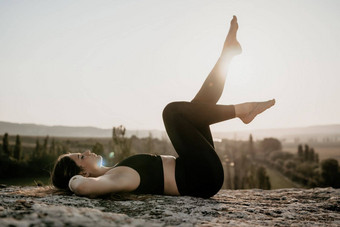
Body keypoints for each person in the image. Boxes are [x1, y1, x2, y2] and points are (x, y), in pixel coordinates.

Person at [51, 16, 275, 199]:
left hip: (197, 169)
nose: (87, 152)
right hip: (201, 178)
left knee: (198, 109)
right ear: (83, 171)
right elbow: (84, 188)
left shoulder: (114, 171)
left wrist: (78, 177)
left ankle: (227, 54)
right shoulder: (113, 179)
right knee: (172, 113)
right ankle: (242, 110)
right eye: (81, 156)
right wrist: (73, 181)